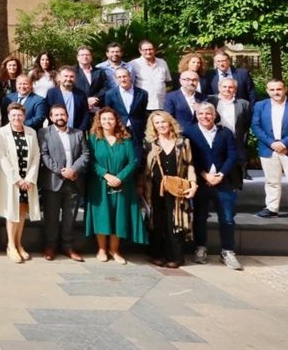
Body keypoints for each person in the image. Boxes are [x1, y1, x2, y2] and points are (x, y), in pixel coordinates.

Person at [184, 102, 243, 270]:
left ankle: (227, 252)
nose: (205, 116)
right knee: (200, 217)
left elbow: (232, 155)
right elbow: (189, 158)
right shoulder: (189, 132)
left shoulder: (225, 132)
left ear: (215, 115)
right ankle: (200, 248)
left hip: (223, 182)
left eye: (208, 113)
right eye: (201, 113)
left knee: (227, 218)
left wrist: (221, 174)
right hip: (201, 182)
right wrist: (204, 175)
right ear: (197, 115)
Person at [84, 107, 147, 263]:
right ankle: (101, 249)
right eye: (104, 119)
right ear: (99, 121)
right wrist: (106, 175)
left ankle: (114, 250)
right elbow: (90, 161)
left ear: (116, 121)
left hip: (122, 184)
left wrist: (120, 178)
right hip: (100, 183)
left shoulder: (125, 139)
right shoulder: (93, 138)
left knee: (119, 216)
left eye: (111, 119)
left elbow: (133, 162)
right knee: (102, 215)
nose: (107, 122)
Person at [252, 79, 288, 226]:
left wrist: (284, 143)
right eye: (272, 90)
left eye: (279, 89)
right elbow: (256, 126)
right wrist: (273, 144)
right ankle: (271, 208)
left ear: (285, 89)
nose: (276, 92)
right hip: (269, 148)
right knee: (271, 181)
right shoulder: (260, 106)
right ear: (267, 91)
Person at [144, 110, 197, 268]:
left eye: (163, 122)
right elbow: (144, 168)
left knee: (175, 221)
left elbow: (189, 164)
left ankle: (176, 256)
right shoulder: (150, 143)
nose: (161, 125)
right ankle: (157, 254)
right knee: (157, 220)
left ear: (170, 123)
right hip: (155, 187)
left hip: (177, 187)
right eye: (157, 123)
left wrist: (193, 184)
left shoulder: (183, 142)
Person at [38, 103, 89, 262]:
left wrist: (73, 170)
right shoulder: (44, 133)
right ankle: (50, 246)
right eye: (56, 115)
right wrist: (61, 171)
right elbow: (44, 155)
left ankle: (68, 247)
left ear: (67, 116)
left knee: (70, 217)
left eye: (62, 114)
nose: (60, 117)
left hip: (74, 181)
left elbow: (85, 154)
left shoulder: (78, 133)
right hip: (53, 181)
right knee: (51, 217)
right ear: (51, 117)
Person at [0, 102, 40, 263]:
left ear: (24, 116)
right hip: (11, 180)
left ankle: (18, 243)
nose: (17, 118)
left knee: (22, 211)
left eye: (20, 115)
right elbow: (2, 157)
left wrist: (29, 178)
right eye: (13, 115)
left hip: (27, 180)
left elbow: (36, 156)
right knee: (11, 212)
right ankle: (11, 245)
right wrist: (17, 179)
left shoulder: (31, 132)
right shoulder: (2, 133)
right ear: (8, 116)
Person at [208, 76, 253, 183]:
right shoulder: (211, 100)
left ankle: (232, 189)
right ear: (219, 87)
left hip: (234, 141)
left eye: (230, 87)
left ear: (235, 89)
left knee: (233, 168)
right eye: (224, 86)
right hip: (213, 139)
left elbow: (246, 123)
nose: (227, 89)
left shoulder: (243, 104)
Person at [103, 67, 149, 149]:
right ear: (115, 79)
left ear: (130, 76)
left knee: (137, 152)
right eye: (119, 77)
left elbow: (142, 111)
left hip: (136, 129)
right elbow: (109, 113)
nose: (122, 79)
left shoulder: (142, 93)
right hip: (118, 128)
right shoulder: (110, 94)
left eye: (124, 76)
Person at [129, 40, 171, 112]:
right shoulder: (133, 64)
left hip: (162, 103)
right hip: (143, 105)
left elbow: (168, 82)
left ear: (154, 50)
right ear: (140, 51)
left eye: (150, 49)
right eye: (145, 50)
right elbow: (129, 84)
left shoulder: (162, 62)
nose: (148, 52)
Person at [44, 67, 88, 132]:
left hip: (76, 132)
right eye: (66, 76)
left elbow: (85, 113)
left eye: (71, 76)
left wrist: (81, 130)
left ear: (75, 78)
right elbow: (47, 112)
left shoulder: (81, 94)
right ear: (59, 78)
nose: (68, 79)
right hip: (56, 132)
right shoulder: (51, 93)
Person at [72, 46, 109, 115]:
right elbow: (70, 88)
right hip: (78, 107)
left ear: (91, 57)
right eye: (82, 55)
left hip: (96, 107)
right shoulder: (72, 71)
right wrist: (86, 100)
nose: (85, 57)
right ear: (77, 57)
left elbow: (105, 87)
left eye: (87, 55)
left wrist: (95, 98)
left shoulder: (99, 71)